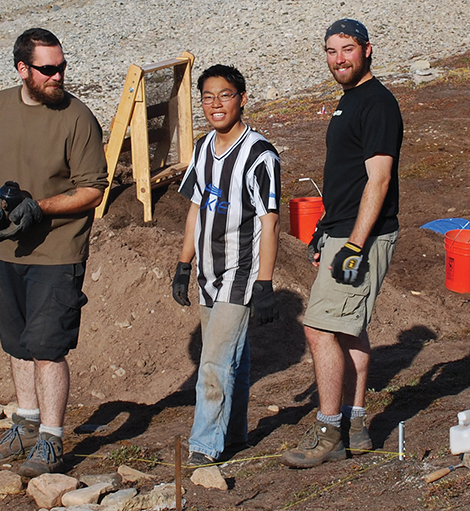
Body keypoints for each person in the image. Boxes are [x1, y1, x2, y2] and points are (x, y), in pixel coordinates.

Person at [0, 28, 108, 477]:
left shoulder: (77, 118)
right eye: (48, 69)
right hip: (7, 251)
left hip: (57, 253)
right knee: (17, 343)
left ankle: (51, 438)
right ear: (23, 70)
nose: (58, 75)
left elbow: (93, 190)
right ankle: (24, 426)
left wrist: (40, 208)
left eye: (62, 66)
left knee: (47, 347)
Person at [281, 19, 403, 469]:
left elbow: (379, 178)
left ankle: (329, 430)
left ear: (367, 50)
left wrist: (353, 244)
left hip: (361, 238)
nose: (339, 59)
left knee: (319, 328)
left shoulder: (377, 104)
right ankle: (355, 425)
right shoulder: (350, 101)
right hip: (343, 230)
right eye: (331, 51)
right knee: (348, 328)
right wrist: (325, 231)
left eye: (347, 49)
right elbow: (348, 179)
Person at [172, 64, 281, 466]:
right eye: (208, 97)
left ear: (243, 99)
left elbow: (270, 221)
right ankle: (233, 434)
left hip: (241, 274)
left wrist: (265, 283)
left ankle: (204, 445)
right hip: (208, 273)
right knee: (234, 356)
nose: (216, 104)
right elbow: (196, 208)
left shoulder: (260, 156)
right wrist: (184, 266)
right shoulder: (202, 149)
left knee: (214, 362)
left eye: (226, 95)